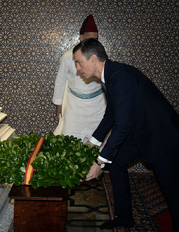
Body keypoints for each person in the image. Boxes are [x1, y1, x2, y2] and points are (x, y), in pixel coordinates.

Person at [73, 38, 179, 230]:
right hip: (141, 130)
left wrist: (99, 162)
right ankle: (124, 217)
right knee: (118, 161)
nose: (78, 68)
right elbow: (111, 114)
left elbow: (122, 125)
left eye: (79, 62)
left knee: (173, 191)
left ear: (94, 59)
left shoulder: (120, 77)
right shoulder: (109, 76)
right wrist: (92, 143)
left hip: (162, 135)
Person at [53, 15, 106, 142]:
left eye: (95, 39)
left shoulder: (101, 55)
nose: (93, 44)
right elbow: (60, 80)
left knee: (98, 142)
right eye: (89, 39)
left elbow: (106, 80)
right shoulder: (68, 56)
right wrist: (58, 103)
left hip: (98, 106)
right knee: (70, 142)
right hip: (74, 107)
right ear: (81, 38)